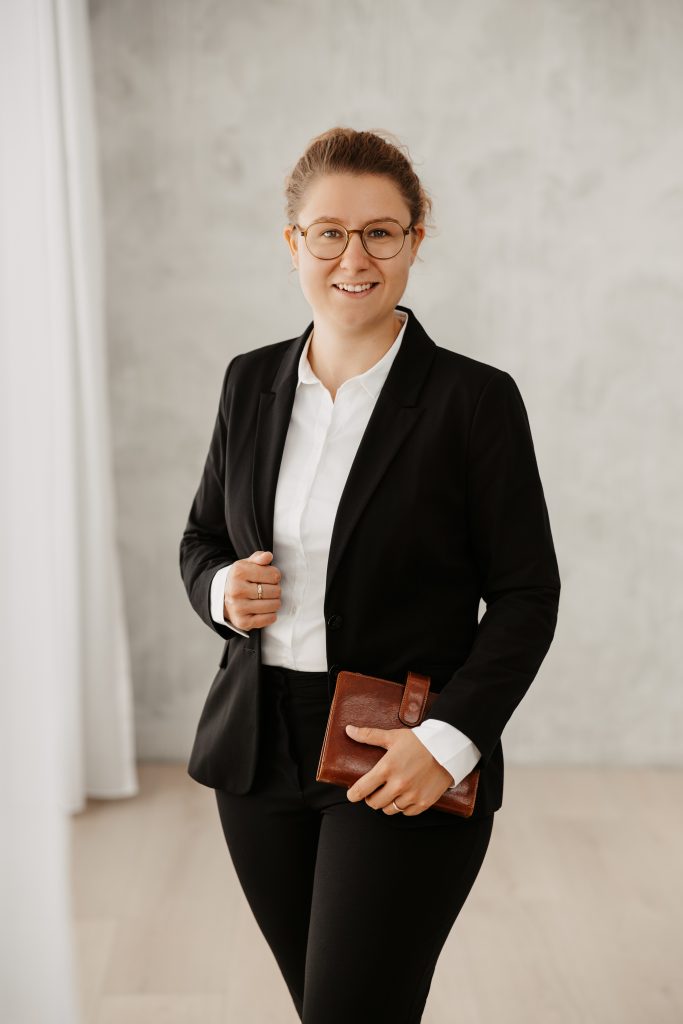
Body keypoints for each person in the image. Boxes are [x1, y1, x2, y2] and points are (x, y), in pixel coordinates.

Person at [179, 126, 561, 1023]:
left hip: (400, 748)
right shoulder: (248, 383)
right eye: (328, 233)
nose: (354, 257)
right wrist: (220, 592)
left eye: (381, 232)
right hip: (257, 749)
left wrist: (451, 740)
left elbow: (525, 594)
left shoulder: (474, 401)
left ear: (416, 238)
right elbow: (202, 536)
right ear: (292, 244)